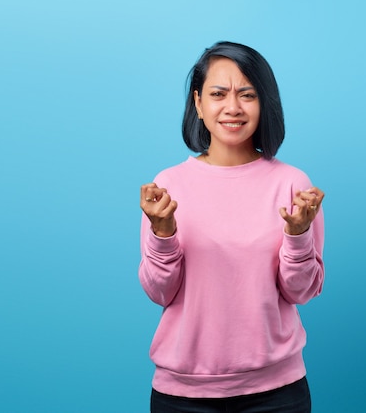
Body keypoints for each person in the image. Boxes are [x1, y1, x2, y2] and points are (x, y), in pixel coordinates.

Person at [138, 41, 325, 413]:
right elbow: (160, 293)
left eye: (247, 94)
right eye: (219, 94)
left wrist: (298, 236)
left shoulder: (293, 184)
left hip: (278, 392)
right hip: (182, 395)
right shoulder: (168, 186)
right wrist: (163, 233)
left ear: (264, 102)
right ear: (198, 104)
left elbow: (301, 291)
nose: (233, 107)